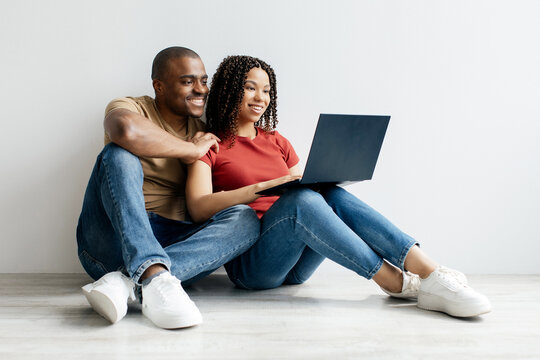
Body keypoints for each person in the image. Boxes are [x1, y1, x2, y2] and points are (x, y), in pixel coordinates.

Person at [185, 55, 491, 318]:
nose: (261, 98)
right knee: (301, 202)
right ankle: (396, 282)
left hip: (296, 265)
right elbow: (198, 207)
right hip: (254, 267)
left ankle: (430, 271)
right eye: (250, 88)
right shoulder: (209, 144)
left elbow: (306, 192)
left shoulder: (277, 141)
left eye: (266, 90)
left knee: (325, 193)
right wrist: (264, 187)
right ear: (228, 91)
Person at [76, 47, 260, 329]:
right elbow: (125, 131)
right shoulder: (133, 107)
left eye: (203, 80)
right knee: (119, 154)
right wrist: (189, 150)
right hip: (110, 243)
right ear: (159, 86)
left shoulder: (205, 133)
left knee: (245, 219)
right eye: (188, 81)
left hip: (171, 242)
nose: (201, 90)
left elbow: (209, 203)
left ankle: (129, 280)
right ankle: (151, 272)